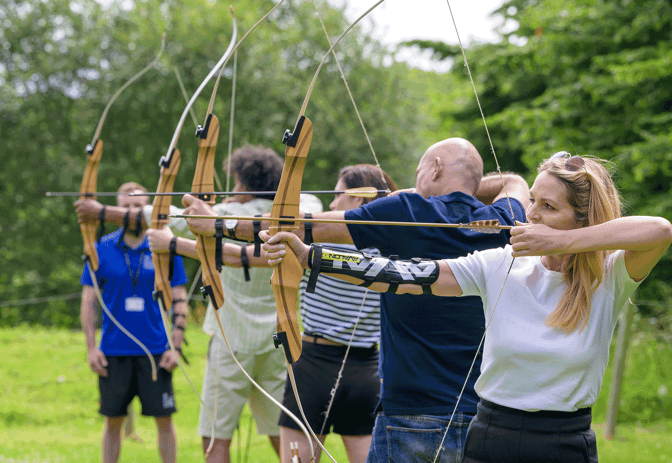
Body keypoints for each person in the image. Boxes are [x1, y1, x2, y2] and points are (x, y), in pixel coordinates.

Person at [262, 152, 672, 463]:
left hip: (565, 443)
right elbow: (401, 274)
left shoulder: (609, 275)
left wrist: (560, 243)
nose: (530, 215)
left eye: (548, 207)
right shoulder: (501, 263)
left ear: (583, 221)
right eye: (532, 201)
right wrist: (312, 254)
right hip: (490, 435)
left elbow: (659, 230)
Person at [180, 137, 530, 462]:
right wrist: (461, 187)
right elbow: (512, 183)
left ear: (436, 167)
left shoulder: (408, 210)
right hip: (481, 411)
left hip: (409, 409)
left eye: (422, 169)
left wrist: (217, 224)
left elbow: (298, 225)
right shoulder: (505, 219)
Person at [144, 145, 323, 463]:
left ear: (243, 183)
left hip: (231, 341)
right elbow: (313, 201)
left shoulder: (223, 216)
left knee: (215, 437)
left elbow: (160, 216)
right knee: (283, 433)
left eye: (236, 182)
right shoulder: (295, 213)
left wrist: (174, 205)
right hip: (277, 341)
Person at [79, 182, 188, 463]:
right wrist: (91, 348)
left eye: (138, 207)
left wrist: (175, 346)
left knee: (164, 420)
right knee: (112, 422)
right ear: (117, 210)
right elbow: (88, 302)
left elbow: (180, 299)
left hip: (156, 350)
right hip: (114, 351)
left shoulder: (164, 247)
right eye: (126, 207)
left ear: (148, 208)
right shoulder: (100, 248)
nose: (132, 212)